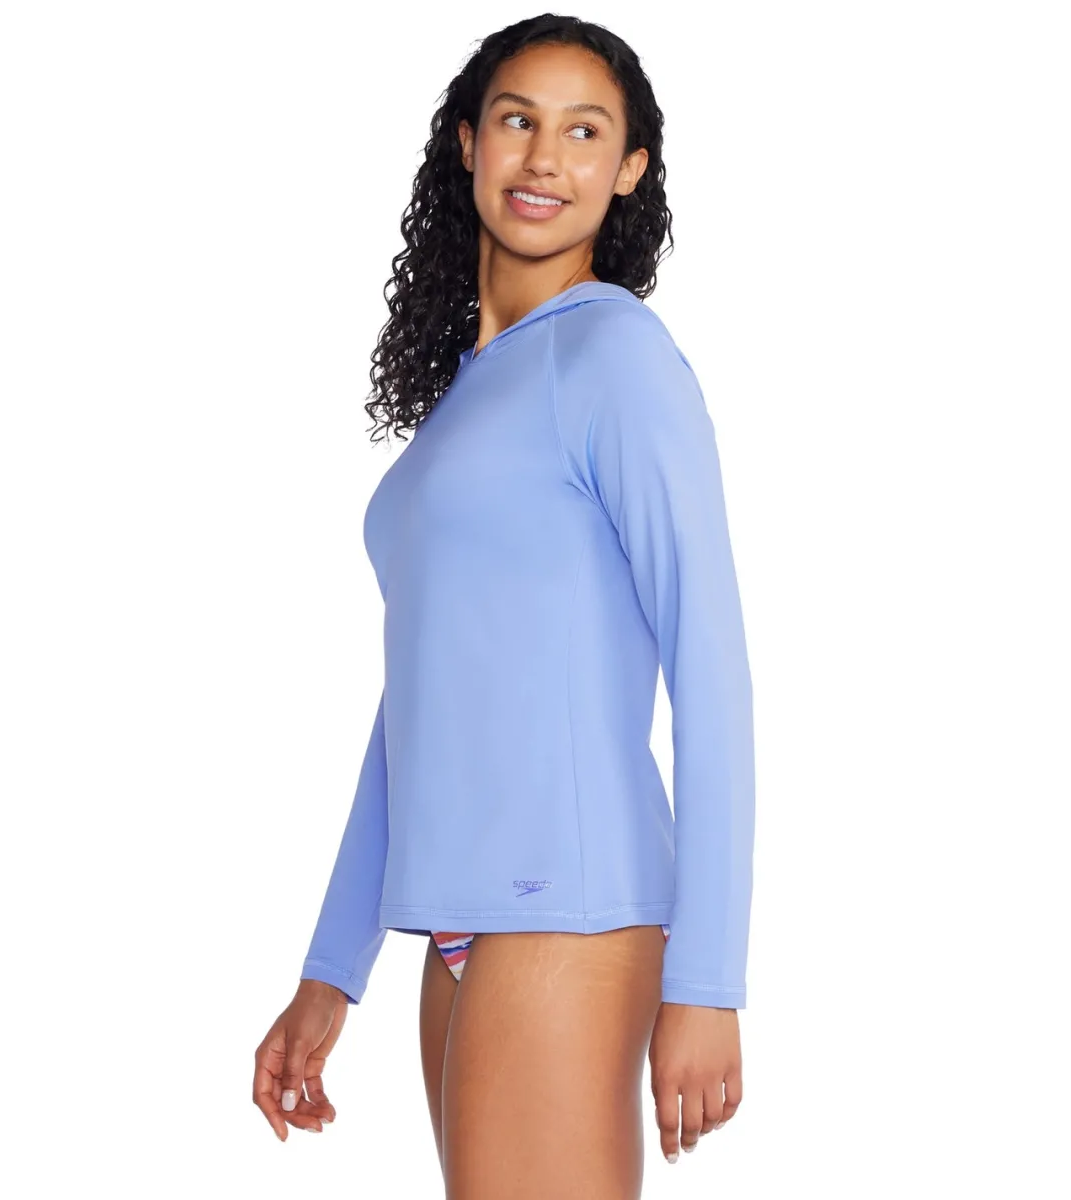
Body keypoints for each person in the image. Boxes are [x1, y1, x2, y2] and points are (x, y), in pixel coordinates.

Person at [253, 14, 756, 1196]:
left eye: (585, 132)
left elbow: (713, 664)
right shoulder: (470, 393)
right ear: (469, 142)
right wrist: (333, 968)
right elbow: (419, 704)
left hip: (569, 903)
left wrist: (709, 980)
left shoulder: (615, 356)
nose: (544, 158)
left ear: (628, 169)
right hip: (456, 919)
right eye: (520, 121)